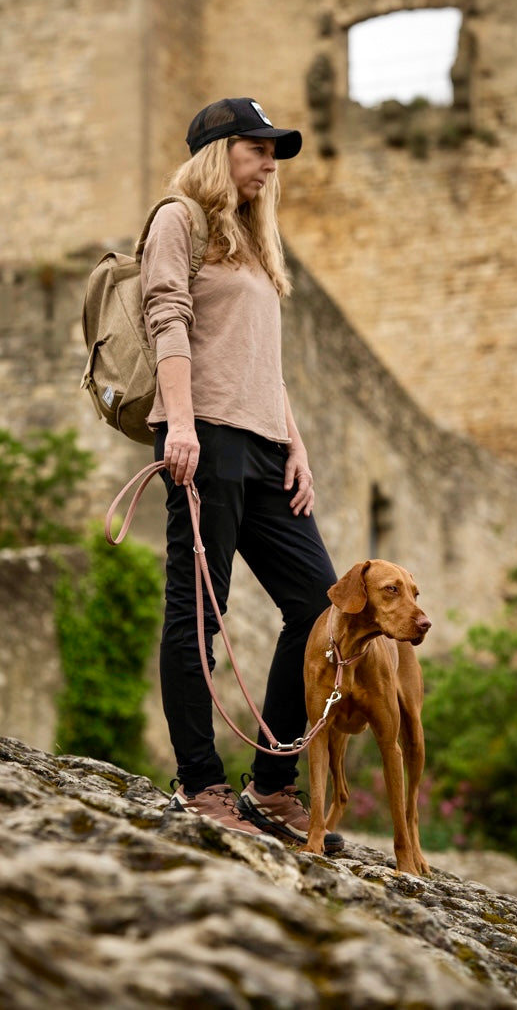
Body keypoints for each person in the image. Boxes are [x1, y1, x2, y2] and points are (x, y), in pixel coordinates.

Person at [141, 96, 342, 850]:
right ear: (218, 150)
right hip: (209, 437)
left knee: (319, 606)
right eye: (257, 147)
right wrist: (182, 421)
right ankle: (200, 781)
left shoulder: (257, 247)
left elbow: (268, 363)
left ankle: (268, 784)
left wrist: (296, 444)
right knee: (197, 611)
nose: (269, 161)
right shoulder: (178, 219)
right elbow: (167, 317)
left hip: (263, 444)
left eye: (274, 151)